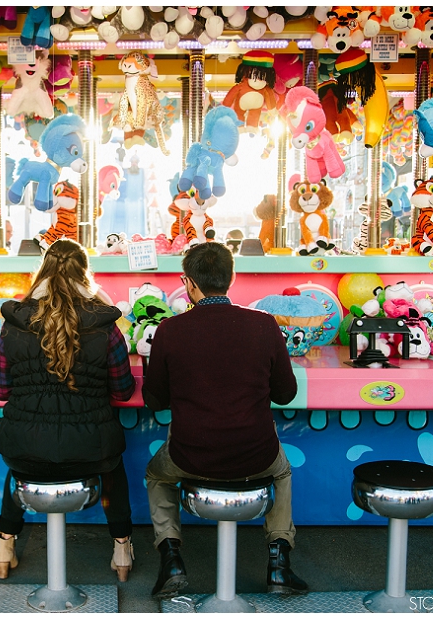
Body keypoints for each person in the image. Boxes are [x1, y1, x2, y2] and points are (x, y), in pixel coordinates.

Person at [142, 241, 307, 599]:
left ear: (189, 283)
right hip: (256, 456)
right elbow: (285, 394)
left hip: (190, 457)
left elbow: (155, 401)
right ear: (230, 279)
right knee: (282, 471)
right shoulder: (265, 326)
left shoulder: (170, 330)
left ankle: (170, 557)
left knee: (156, 475)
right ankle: (279, 560)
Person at [0, 239, 137, 582]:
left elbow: (1, 391)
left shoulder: (13, 323)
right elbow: (124, 390)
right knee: (112, 464)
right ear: (85, 274)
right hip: (91, 451)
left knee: (25, 454)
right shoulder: (104, 325)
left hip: (25, 450)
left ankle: (4, 544)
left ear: (41, 272)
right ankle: (121, 549)